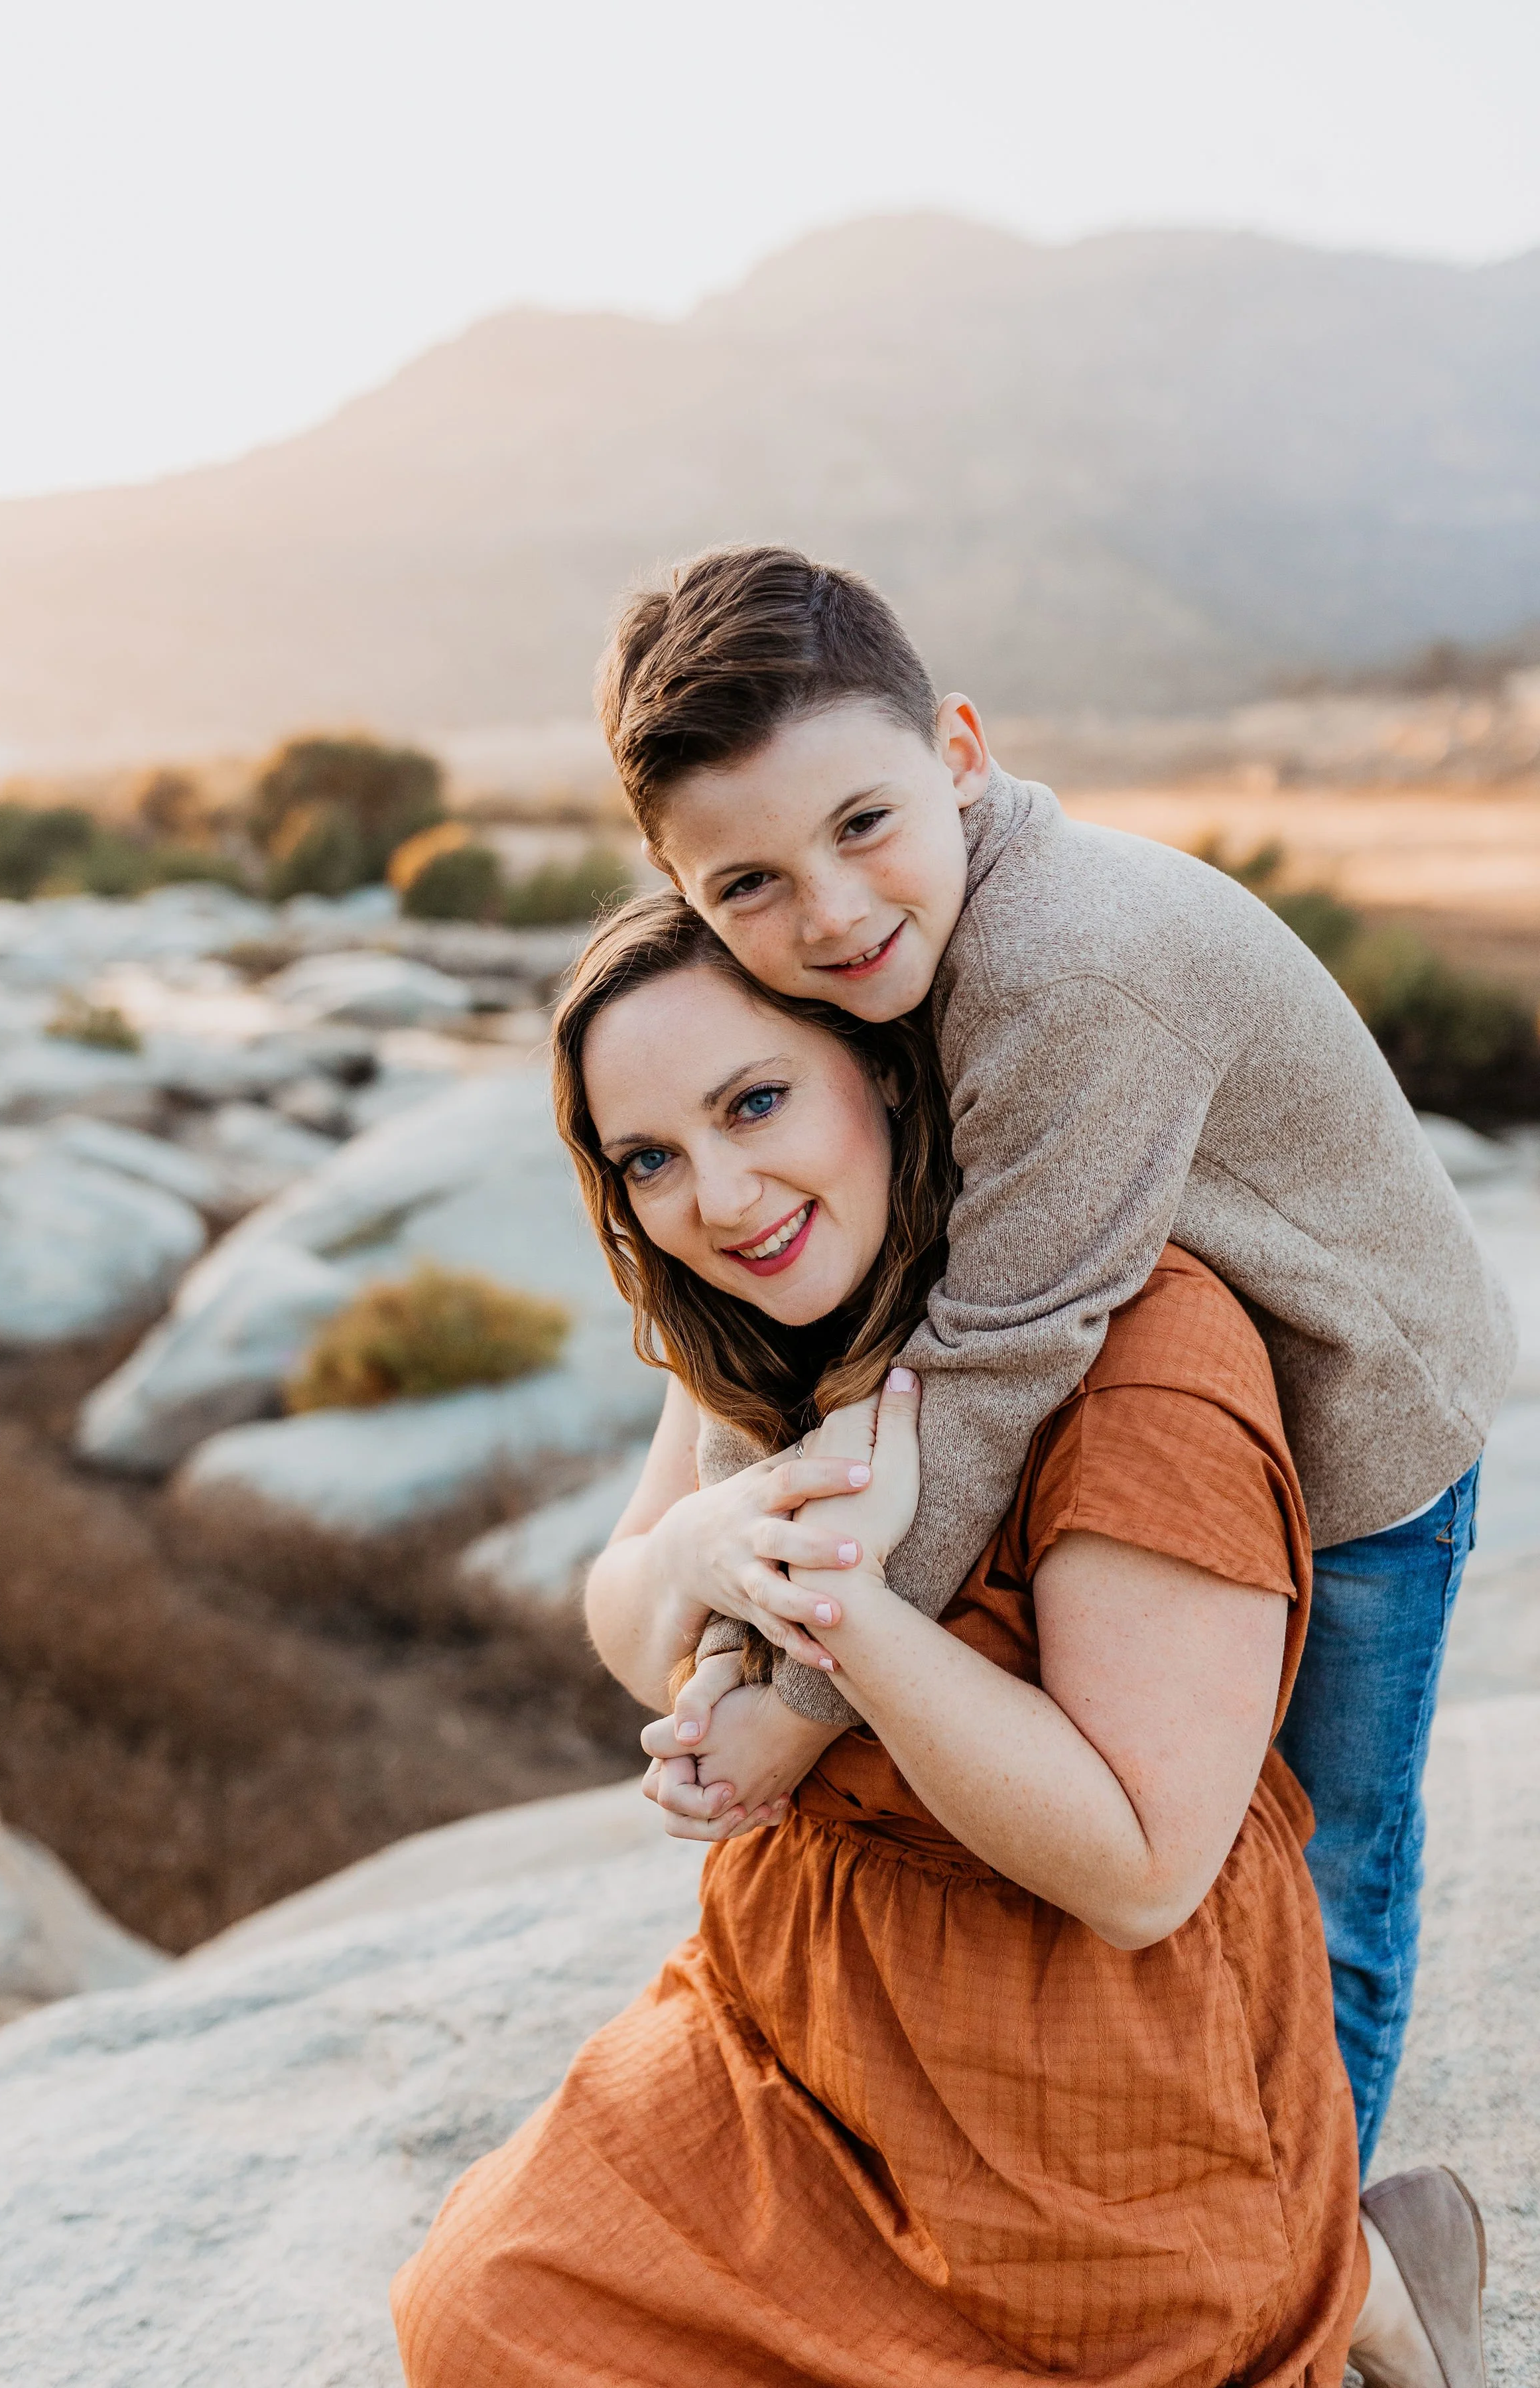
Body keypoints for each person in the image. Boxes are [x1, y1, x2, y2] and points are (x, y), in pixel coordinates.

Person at [391, 898, 1487, 2388]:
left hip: (1081, 2107)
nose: (717, 1195)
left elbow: (1142, 1873)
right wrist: (706, 1565)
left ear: (890, 1072)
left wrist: (841, 1611)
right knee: (484, 2323)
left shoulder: (1140, 1358)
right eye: (650, 1158)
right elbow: (623, 1605)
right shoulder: (760, 1306)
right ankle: (1351, 2268)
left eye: (755, 1102)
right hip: (798, 2038)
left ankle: (1341, 2271)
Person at [591, 545, 1511, 2168]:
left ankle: (1323, 2241)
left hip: (1360, 1413)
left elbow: (991, 1361)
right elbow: (814, 1362)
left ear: (958, 752)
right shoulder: (866, 952)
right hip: (1165, 1400)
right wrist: (716, 1628)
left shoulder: (1070, 964)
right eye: (749, 884)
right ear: (687, 890)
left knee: (1328, 1858)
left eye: (862, 823)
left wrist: (796, 1703)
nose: (830, 910)